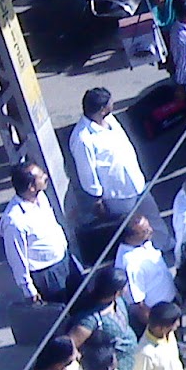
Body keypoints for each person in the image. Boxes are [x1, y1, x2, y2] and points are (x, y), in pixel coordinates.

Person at [67, 90, 171, 255]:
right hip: (118, 192)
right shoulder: (82, 138)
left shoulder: (110, 120)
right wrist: (97, 197)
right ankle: (144, 254)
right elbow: (87, 172)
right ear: (102, 108)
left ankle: (165, 245)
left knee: (152, 216)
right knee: (132, 227)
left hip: (136, 181)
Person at [1, 164, 71, 305]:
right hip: (48, 275)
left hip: (65, 261)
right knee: (65, 314)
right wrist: (29, 289)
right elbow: (17, 258)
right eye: (41, 176)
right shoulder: (14, 221)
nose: (46, 176)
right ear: (31, 187)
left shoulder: (41, 198)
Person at [112, 214, 177, 336]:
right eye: (145, 231)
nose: (151, 231)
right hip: (159, 316)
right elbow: (139, 306)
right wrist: (156, 330)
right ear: (131, 237)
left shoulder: (143, 242)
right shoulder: (130, 263)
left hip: (170, 305)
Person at [64, 272, 135, 370]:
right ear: (116, 292)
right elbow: (70, 346)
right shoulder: (89, 320)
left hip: (132, 360)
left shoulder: (118, 301)